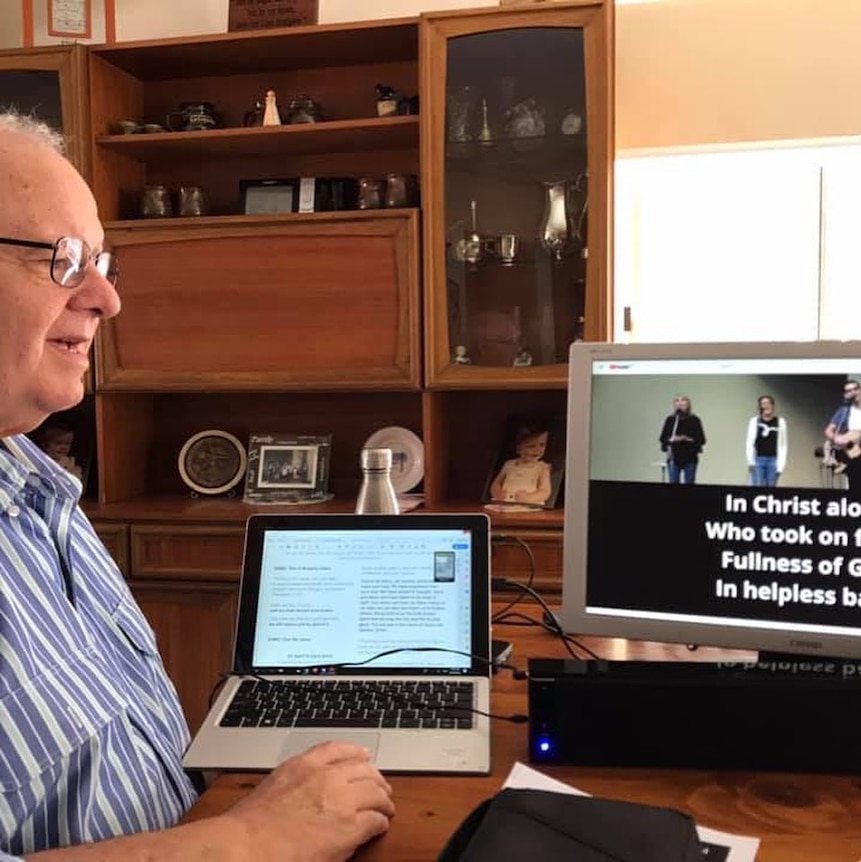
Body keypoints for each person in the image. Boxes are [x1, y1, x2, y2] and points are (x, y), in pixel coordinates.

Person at [0, 112, 394, 858]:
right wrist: (249, 840)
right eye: (64, 258)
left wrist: (247, 764)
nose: (107, 299)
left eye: (103, 262)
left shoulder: (39, 488)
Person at [489, 423, 553, 506]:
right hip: (504, 502)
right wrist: (497, 492)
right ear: (518, 448)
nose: (537, 450)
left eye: (542, 445)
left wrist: (530, 498)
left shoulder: (542, 468)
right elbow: (496, 483)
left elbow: (545, 491)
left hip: (528, 505)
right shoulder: (509, 464)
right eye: (531, 446)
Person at [658, 394, 706, 484]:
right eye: (677, 401)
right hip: (673, 458)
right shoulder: (671, 420)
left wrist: (687, 439)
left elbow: (702, 439)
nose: (680, 403)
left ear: (688, 404)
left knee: (689, 485)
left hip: (690, 458)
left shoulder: (694, 420)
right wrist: (671, 439)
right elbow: (662, 438)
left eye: (683, 400)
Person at [745, 395, 787, 487]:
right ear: (760, 407)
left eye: (769, 403)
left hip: (773, 460)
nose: (767, 406)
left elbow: (783, 445)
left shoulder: (780, 422)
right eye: (764, 403)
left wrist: (781, 466)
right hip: (758, 460)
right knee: (758, 487)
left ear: (773, 406)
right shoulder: (755, 421)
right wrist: (750, 462)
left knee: (771, 489)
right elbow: (750, 442)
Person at [823, 378, 861, 470]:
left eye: (855, 389)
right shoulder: (845, 410)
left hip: (859, 445)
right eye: (849, 391)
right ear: (846, 394)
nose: (853, 392)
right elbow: (828, 430)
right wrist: (836, 438)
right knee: (828, 442)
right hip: (849, 448)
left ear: (860, 390)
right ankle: (836, 461)